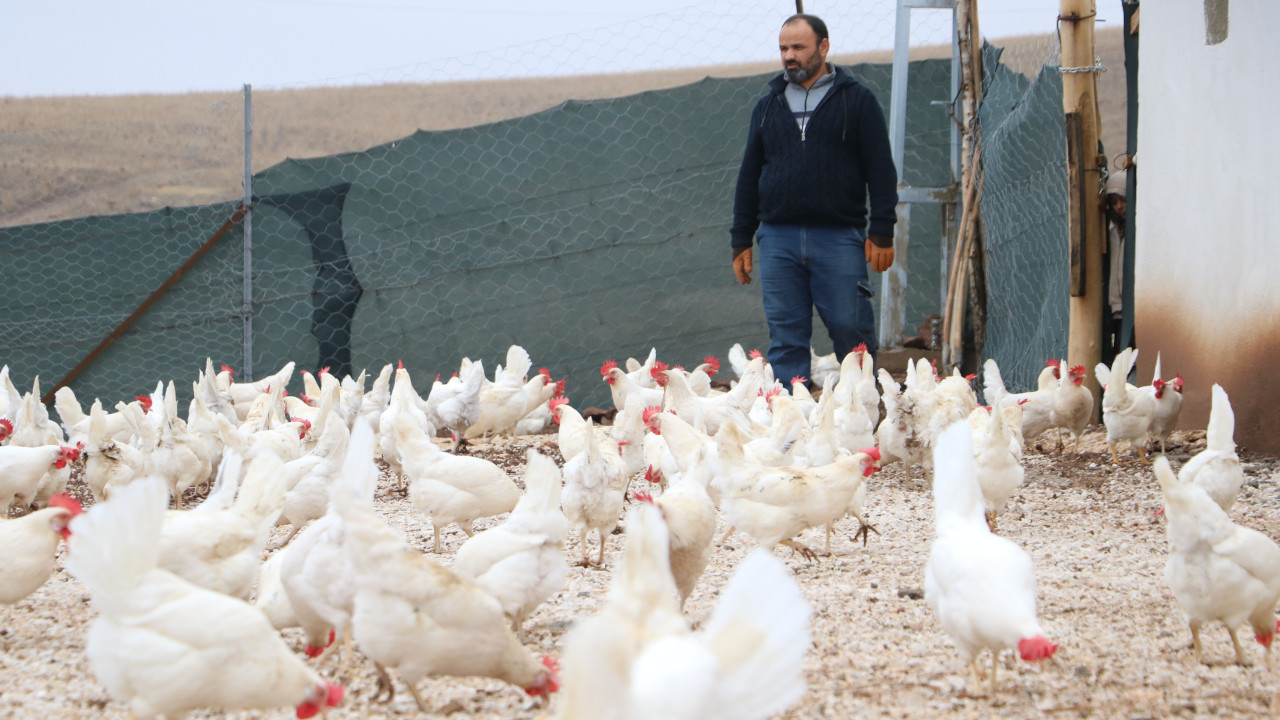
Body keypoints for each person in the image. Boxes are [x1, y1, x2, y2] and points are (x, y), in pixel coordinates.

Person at [730, 13, 899, 388]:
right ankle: (794, 422)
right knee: (786, 337)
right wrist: (741, 239)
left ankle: (866, 407)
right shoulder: (768, 106)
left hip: (838, 236)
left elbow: (881, 170)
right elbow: (749, 176)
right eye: (783, 48)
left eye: (798, 47)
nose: (789, 56)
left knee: (849, 329)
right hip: (778, 239)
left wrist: (883, 231)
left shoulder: (856, 101)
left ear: (823, 47)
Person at [1102, 168, 1128, 363]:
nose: (1119, 206)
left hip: (1131, 306)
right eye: (1114, 202)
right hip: (1115, 307)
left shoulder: (1135, 232)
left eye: (1124, 200)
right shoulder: (1111, 234)